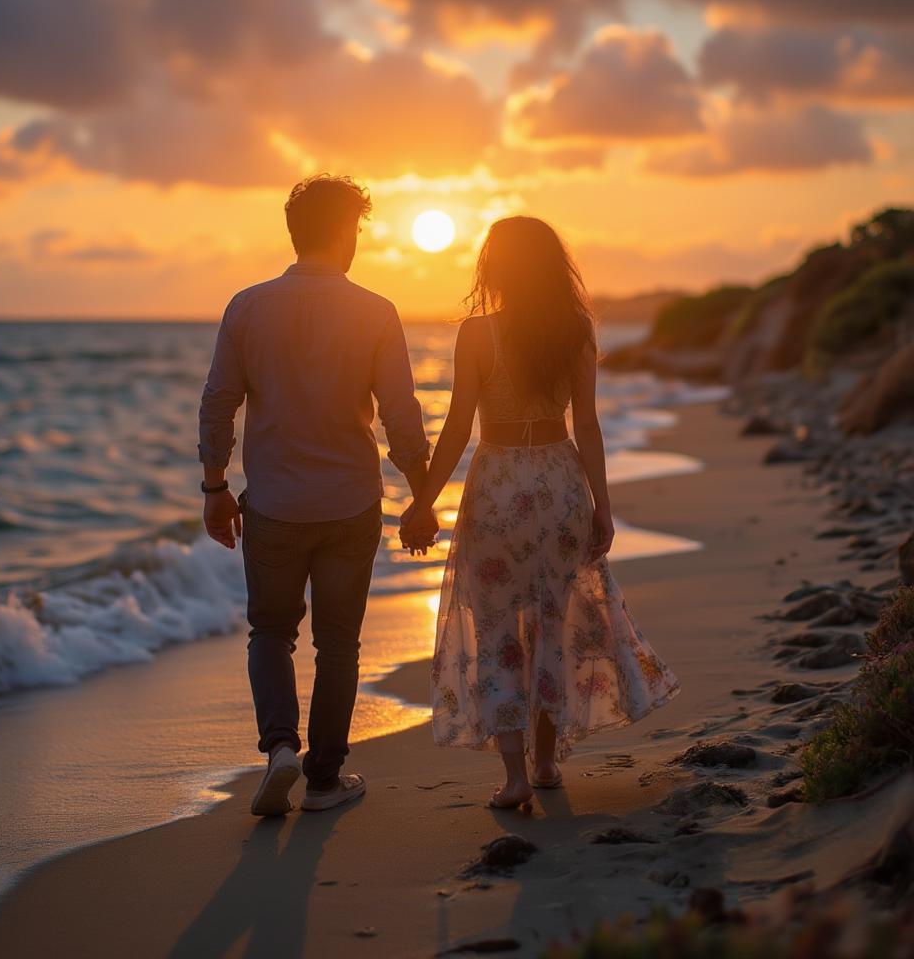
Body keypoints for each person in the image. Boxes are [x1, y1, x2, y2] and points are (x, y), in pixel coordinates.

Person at [400, 216, 680, 808]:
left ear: (494, 268)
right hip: (558, 482)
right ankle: (547, 762)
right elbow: (588, 425)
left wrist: (422, 500)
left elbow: (456, 427)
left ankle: (514, 777)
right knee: (554, 624)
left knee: (499, 629)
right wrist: (604, 503)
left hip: (497, 484)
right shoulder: (575, 329)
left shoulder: (477, 334)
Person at [199, 174, 435, 817]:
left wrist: (215, 486)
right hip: (349, 505)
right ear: (343, 232)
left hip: (272, 504)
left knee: (271, 633)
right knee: (339, 644)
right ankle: (324, 779)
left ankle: (279, 747)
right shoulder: (375, 311)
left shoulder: (246, 306)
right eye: (357, 229)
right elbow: (401, 416)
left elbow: (219, 403)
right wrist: (423, 495)